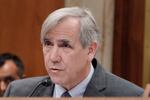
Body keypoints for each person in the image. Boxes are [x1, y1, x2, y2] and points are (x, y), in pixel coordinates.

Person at [4, 7, 143, 97]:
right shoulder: (18, 92)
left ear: (90, 50)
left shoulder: (130, 95)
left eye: (65, 45)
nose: (53, 57)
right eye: (48, 44)